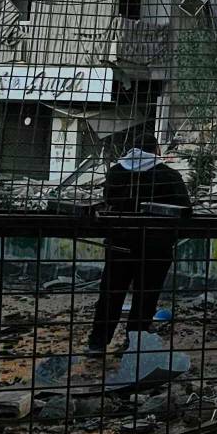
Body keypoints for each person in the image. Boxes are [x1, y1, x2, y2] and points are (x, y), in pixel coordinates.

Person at [88, 136, 190, 355]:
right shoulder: (169, 175)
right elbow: (184, 210)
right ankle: (135, 342)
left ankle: (97, 343)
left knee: (111, 293)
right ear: (156, 149)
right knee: (146, 295)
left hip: (120, 243)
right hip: (155, 246)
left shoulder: (116, 172)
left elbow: (108, 202)